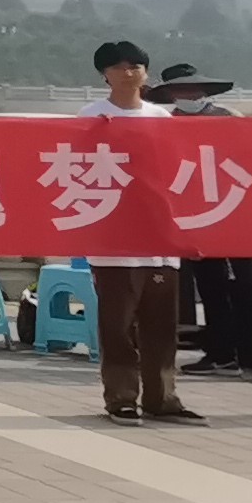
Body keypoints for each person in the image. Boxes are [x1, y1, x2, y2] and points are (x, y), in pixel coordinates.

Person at [78, 40, 202, 426]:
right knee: (117, 325)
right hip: (113, 238)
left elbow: (178, 173)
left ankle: (163, 397)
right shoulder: (90, 117)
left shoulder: (161, 118)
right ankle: (121, 398)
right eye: (119, 67)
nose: (128, 73)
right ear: (105, 74)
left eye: (136, 66)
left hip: (159, 236)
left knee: (161, 325)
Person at [158, 63, 252, 387]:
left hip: (238, 210)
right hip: (198, 214)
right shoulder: (165, 124)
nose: (188, 95)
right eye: (180, 90)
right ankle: (221, 353)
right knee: (211, 286)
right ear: (170, 94)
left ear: (204, 90)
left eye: (192, 89)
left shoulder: (229, 118)